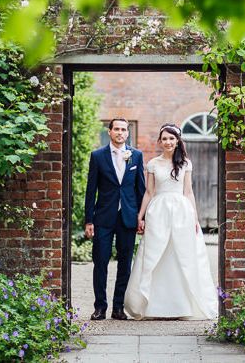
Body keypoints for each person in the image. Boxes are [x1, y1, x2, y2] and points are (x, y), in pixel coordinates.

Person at [125, 123, 218, 320]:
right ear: (160, 141)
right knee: (154, 253)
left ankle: (181, 305)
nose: (168, 142)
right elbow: (149, 192)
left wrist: (194, 217)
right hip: (158, 211)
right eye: (164, 139)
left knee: (181, 254)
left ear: (177, 141)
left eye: (171, 139)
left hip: (181, 211)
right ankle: (152, 305)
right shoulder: (152, 164)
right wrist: (140, 216)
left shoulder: (185, 163)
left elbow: (189, 192)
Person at [84, 118, 146, 320]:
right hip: (103, 217)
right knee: (100, 262)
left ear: (127, 133)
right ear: (109, 131)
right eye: (116, 129)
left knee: (125, 263)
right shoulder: (97, 156)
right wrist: (89, 220)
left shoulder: (136, 156)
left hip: (127, 217)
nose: (120, 132)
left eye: (124, 129)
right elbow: (90, 190)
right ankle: (100, 307)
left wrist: (141, 217)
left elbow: (140, 189)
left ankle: (118, 307)